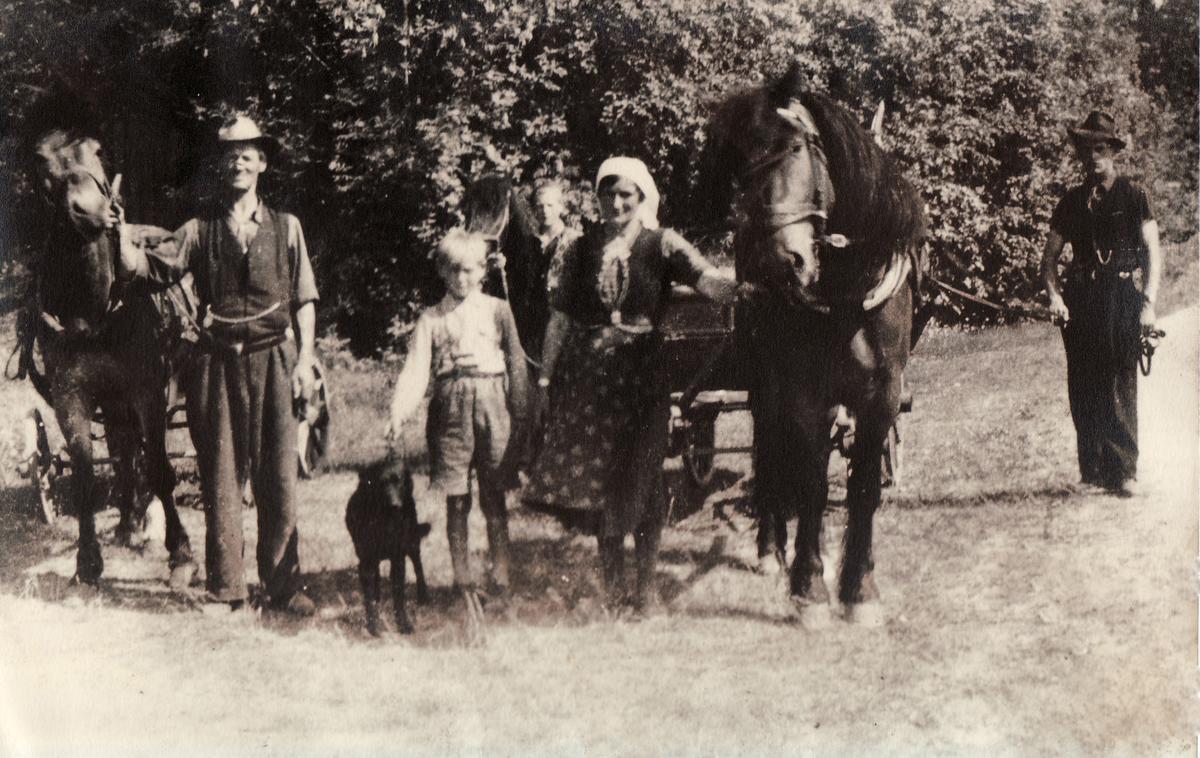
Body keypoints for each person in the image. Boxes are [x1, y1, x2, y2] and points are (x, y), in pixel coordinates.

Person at [522, 156, 743, 613]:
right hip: (592, 384)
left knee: (644, 482)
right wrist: (544, 379)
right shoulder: (580, 249)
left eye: (626, 194)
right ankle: (612, 588)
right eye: (608, 193)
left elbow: (707, 280)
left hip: (644, 379)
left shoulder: (662, 244)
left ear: (642, 198)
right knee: (601, 487)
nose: (616, 202)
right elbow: (561, 319)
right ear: (598, 198)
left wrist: (744, 288)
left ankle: (645, 591)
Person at [117, 114, 319, 614]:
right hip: (216, 363)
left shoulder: (288, 228)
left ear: (262, 162)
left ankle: (283, 587)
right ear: (220, 164)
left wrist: (306, 359)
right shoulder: (197, 229)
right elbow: (144, 267)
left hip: (275, 359)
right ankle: (226, 587)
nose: (238, 161)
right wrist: (117, 231)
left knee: (278, 476)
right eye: (230, 153)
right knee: (221, 476)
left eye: (248, 152)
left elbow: (306, 300)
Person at [387, 229, 529, 598]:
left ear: (483, 269)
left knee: (494, 491)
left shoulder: (498, 310)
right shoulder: (432, 318)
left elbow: (516, 363)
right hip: (450, 407)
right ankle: (461, 574)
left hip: (492, 402)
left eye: (468, 270)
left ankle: (500, 571)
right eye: (453, 271)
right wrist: (399, 411)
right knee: (457, 496)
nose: (461, 279)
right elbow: (416, 370)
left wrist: (522, 408)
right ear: (441, 272)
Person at [1042, 110, 1162, 498]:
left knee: (1120, 382)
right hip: (1081, 303)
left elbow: (1153, 255)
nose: (1093, 156)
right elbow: (1048, 261)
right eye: (1086, 150)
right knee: (1084, 384)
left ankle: (1124, 471)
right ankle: (1092, 470)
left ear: (1112, 151)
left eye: (1100, 148)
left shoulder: (1134, 196)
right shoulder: (1071, 202)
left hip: (1124, 299)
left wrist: (1149, 304)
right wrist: (1055, 297)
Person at [524, 180, 582, 362]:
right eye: (539, 206)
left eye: (550, 205)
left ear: (561, 207)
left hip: (561, 318)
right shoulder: (529, 241)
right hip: (532, 319)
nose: (544, 211)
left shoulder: (574, 240)